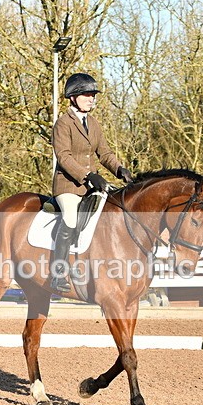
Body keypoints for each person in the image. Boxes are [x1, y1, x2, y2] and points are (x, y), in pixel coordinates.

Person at [49, 72, 133, 293]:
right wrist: (87, 176)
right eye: (87, 95)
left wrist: (119, 169)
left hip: (92, 185)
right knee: (70, 218)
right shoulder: (63, 124)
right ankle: (58, 273)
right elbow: (64, 157)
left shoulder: (93, 123)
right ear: (73, 97)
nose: (91, 98)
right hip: (69, 186)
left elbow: (104, 153)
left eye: (93, 95)